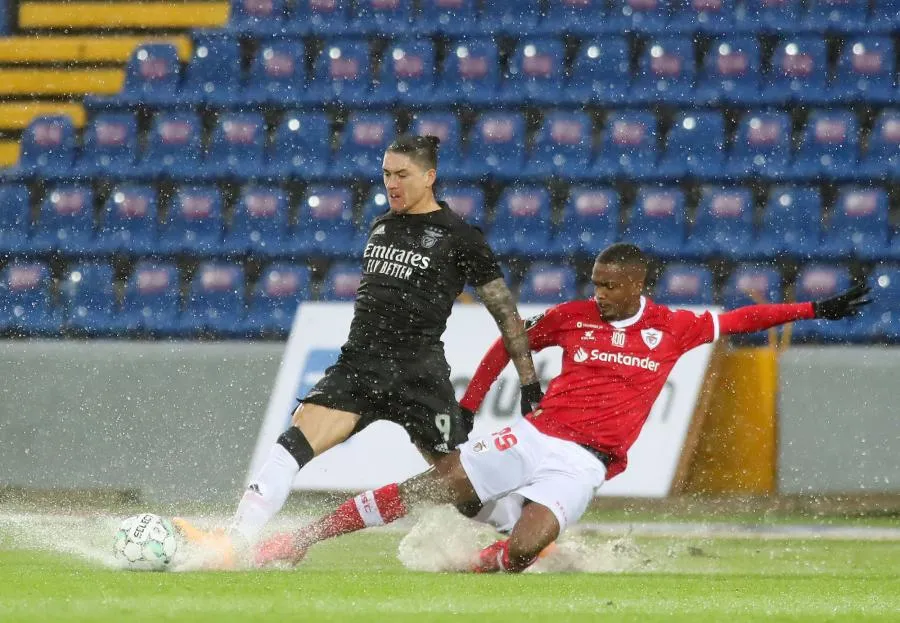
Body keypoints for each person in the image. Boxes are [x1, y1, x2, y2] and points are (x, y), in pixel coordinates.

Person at [255, 242, 871, 572]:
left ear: (637, 285)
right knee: (437, 483)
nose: (596, 292)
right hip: (536, 435)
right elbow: (508, 340)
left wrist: (813, 310)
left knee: (523, 550)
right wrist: (473, 401)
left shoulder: (674, 327)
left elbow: (743, 317)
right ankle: (303, 538)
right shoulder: (570, 317)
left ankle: (483, 564)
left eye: (608, 284)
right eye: (595, 281)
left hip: (588, 463)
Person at [175, 135, 542, 565]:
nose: (392, 183)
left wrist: (529, 381)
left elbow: (505, 313)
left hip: (419, 374)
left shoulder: (461, 237)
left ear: (430, 176)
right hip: (360, 365)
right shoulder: (382, 225)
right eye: (386, 174)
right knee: (292, 444)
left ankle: (528, 534)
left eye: (402, 174)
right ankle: (234, 543)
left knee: (460, 489)